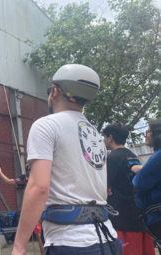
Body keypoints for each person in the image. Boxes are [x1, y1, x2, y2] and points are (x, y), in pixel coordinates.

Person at [12, 64, 123, 255]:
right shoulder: (95, 134)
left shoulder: (46, 125)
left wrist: (19, 246)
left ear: (55, 91)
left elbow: (39, 187)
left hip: (70, 243)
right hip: (108, 239)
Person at [103, 123, 155, 255]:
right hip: (138, 217)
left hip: (121, 220)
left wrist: (106, 187)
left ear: (110, 137)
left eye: (104, 137)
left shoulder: (112, 158)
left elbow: (102, 188)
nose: (103, 140)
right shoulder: (133, 156)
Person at [0, 165, 45, 255]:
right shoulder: (41, 177)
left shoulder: (25, 178)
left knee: (23, 240)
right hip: (40, 209)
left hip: (30, 211)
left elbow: (7, 181)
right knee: (40, 237)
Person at [131, 119, 161, 254]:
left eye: (148, 131)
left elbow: (138, 184)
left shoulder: (158, 157)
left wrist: (135, 169)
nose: (145, 135)